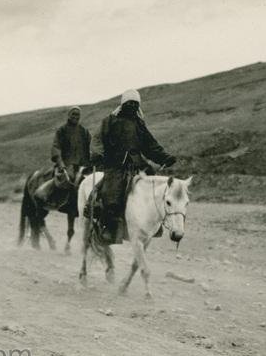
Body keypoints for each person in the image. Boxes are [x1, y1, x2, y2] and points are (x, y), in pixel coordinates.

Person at [90, 89, 176, 243]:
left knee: (154, 191)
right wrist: (98, 155)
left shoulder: (139, 124)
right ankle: (109, 228)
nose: (132, 105)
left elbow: (151, 145)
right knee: (112, 194)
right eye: (129, 103)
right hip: (115, 165)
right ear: (123, 104)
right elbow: (97, 140)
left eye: (135, 103)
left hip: (138, 164)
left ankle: (154, 225)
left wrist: (164, 157)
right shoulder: (110, 121)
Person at [50, 106, 92, 180]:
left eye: (77, 115)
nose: (75, 117)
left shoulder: (84, 131)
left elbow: (92, 146)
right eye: (73, 114)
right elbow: (56, 147)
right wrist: (61, 164)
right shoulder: (62, 130)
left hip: (84, 164)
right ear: (69, 115)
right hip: (67, 164)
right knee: (69, 180)